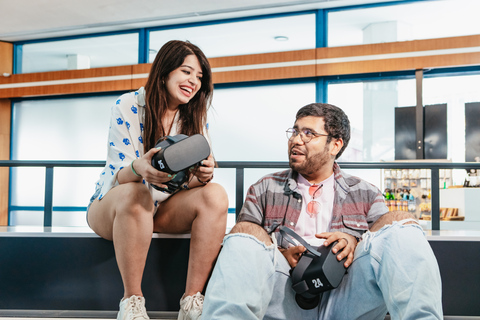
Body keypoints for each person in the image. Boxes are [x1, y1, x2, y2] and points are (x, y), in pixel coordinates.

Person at [202, 103, 443, 319]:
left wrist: (353, 241)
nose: (296, 140)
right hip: (285, 293)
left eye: (309, 134)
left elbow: (383, 251)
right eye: (295, 131)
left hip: (346, 296)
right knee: (245, 230)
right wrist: (279, 254)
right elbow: (244, 253)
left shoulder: (366, 193)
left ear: (335, 145)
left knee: (399, 221)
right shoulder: (264, 188)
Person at [87, 40, 228, 320]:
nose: (194, 81)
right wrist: (140, 168)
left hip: (162, 208)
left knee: (216, 194)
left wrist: (204, 175)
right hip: (114, 206)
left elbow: (188, 185)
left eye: (199, 77)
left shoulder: (194, 116)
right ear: (164, 72)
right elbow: (119, 174)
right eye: (186, 71)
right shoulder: (128, 105)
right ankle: (132, 302)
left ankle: (192, 303)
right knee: (136, 192)